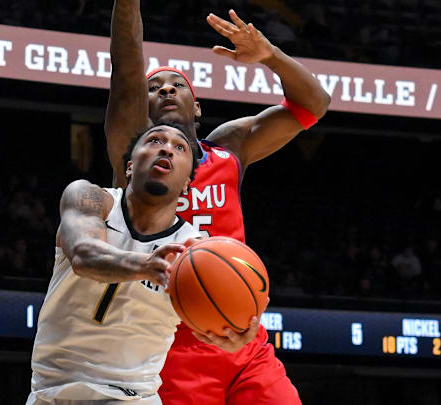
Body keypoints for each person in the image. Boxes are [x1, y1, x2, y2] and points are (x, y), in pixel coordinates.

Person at [104, 1, 330, 404]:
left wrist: (271, 56)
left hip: (243, 336)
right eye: (153, 89)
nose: (166, 90)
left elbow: (313, 106)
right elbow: (124, 68)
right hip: (168, 347)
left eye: (177, 85)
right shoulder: (133, 160)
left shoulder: (229, 148)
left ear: (198, 106)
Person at [26, 122, 202, 405]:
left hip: (133, 397)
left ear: (186, 185)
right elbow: (84, 255)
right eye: (155, 140)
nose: (167, 148)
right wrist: (146, 265)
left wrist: (234, 331)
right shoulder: (90, 198)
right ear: (129, 167)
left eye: (179, 147)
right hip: (53, 392)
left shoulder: (193, 250)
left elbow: (211, 324)